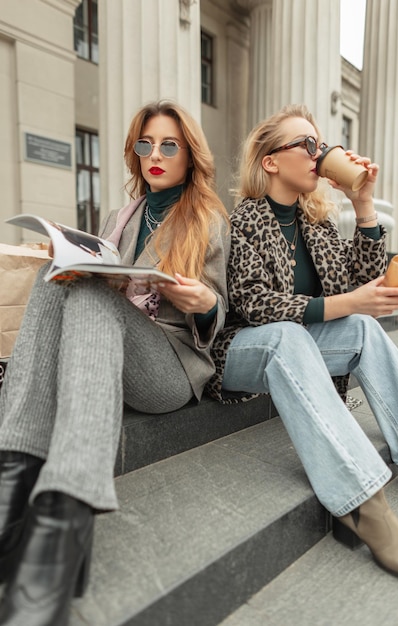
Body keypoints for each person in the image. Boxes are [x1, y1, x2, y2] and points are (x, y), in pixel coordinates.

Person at [0, 100, 230, 625]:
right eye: (144, 144)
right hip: (110, 346)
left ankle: (64, 519)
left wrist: (204, 303)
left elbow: (219, 310)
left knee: (92, 293)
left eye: (168, 144)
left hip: (169, 365)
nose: (155, 154)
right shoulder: (120, 215)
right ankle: (13, 489)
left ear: (189, 154)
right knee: (56, 275)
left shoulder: (208, 219)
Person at [206, 103, 398, 583]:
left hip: (298, 344)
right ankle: (365, 506)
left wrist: (362, 205)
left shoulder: (316, 222)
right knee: (286, 334)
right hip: (243, 350)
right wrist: (349, 303)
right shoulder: (241, 220)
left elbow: (359, 280)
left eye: (320, 146)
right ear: (271, 161)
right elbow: (254, 303)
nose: (318, 154)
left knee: (362, 328)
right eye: (306, 145)